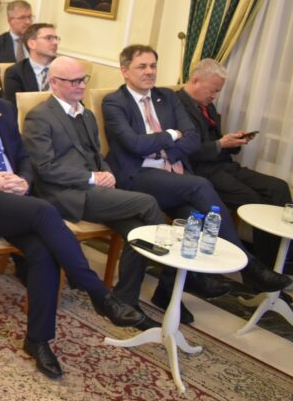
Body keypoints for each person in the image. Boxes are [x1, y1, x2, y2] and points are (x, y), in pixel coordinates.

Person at [0, 46, 143, 379]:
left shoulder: (4, 109)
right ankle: (98, 292)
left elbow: (24, 157)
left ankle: (38, 340)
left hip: (12, 201)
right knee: (44, 212)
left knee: (43, 251)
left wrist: (24, 181)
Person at [102, 45, 291, 318]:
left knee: (195, 219)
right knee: (200, 185)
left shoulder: (167, 96)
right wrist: (171, 135)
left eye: (153, 65)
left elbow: (191, 138)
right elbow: (134, 145)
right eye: (142, 66)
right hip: (137, 176)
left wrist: (165, 148)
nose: (150, 72)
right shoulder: (114, 102)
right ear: (125, 71)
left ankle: (167, 290)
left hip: (171, 174)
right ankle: (249, 267)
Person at [22, 57, 165, 325]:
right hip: (65, 195)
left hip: (95, 190)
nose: (81, 85)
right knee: (148, 204)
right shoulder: (40, 116)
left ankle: (125, 301)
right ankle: (169, 279)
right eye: (73, 81)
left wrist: (107, 173)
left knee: (137, 231)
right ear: (54, 82)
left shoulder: (86, 114)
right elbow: (45, 169)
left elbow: (97, 155)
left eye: (83, 79)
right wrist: (91, 177)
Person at [179, 59, 292, 269]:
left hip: (224, 165)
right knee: (256, 203)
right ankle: (267, 266)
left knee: (278, 187)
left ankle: (284, 258)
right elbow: (185, 151)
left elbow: (216, 141)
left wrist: (233, 142)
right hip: (202, 171)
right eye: (213, 90)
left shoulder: (208, 106)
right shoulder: (177, 106)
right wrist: (221, 144)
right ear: (195, 81)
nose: (214, 96)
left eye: (218, 91)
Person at [2, 23, 60, 103]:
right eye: (49, 38)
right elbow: (15, 106)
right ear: (32, 43)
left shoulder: (64, 69)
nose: (55, 42)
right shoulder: (15, 73)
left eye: (56, 38)